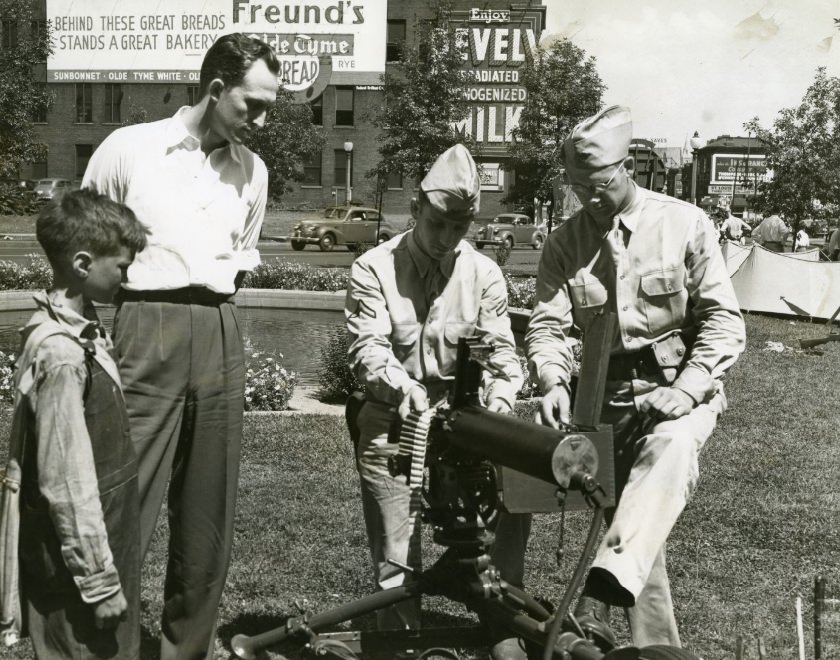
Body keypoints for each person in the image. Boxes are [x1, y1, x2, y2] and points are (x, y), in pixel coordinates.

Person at [82, 33, 280, 660]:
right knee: (124, 498)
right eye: (253, 103)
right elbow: (81, 245)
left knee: (206, 511)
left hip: (219, 330)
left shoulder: (253, 171)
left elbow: (238, 264)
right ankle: (101, 646)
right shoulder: (130, 149)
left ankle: (183, 649)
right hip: (145, 325)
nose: (263, 119)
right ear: (216, 88)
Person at [525, 106, 745, 650]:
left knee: (668, 448)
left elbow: (724, 321)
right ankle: (657, 647)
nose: (590, 199)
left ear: (627, 168)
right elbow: (548, 326)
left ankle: (606, 583)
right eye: (579, 189)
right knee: (637, 526)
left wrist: (688, 388)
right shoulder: (564, 243)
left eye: (600, 185)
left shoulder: (683, 222)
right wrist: (553, 379)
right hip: (600, 395)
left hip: (679, 388)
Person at [345, 144, 527, 659]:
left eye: (459, 228)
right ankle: (399, 643)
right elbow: (369, 351)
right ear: (415, 209)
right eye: (438, 224)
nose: (447, 239)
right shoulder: (373, 268)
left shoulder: (485, 274)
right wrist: (405, 390)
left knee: (493, 538)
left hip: (467, 421)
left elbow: (501, 359)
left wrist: (501, 406)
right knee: (397, 556)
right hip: (394, 416)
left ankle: (502, 634)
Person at [15, 189, 148, 659]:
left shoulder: (83, 330)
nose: (127, 279)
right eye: (122, 268)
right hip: (76, 560)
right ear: (83, 264)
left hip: (110, 532)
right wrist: (98, 581)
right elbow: (66, 481)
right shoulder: (62, 354)